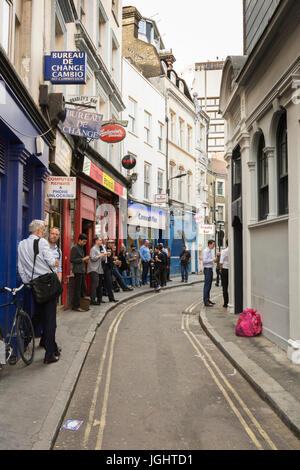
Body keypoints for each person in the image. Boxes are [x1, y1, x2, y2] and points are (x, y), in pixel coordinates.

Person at [18, 220, 61, 364]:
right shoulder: (42, 242)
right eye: (44, 229)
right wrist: (55, 263)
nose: (44, 231)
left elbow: (21, 268)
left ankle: (47, 346)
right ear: (39, 230)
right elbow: (50, 261)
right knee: (50, 321)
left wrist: (28, 283)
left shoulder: (21, 244)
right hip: (47, 284)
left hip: (34, 285)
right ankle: (49, 354)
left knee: (39, 315)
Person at [70, 234, 90, 312]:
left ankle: (83, 305)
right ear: (79, 240)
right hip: (77, 271)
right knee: (77, 289)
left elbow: (81, 259)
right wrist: (82, 259)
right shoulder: (74, 248)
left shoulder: (81, 247)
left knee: (83, 288)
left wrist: (85, 260)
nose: (85, 243)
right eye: (84, 241)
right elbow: (72, 260)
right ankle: (76, 306)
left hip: (82, 270)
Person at [87, 236, 107, 305]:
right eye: (100, 240)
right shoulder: (93, 249)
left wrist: (105, 255)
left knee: (98, 285)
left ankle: (98, 299)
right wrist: (99, 256)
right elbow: (92, 258)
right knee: (94, 285)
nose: (101, 241)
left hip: (98, 269)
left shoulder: (99, 248)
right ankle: (92, 300)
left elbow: (102, 259)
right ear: (96, 241)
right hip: (93, 269)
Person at [202, 240, 217, 307]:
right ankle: (206, 301)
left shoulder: (209, 251)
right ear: (209, 244)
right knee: (207, 286)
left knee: (209, 285)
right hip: (207, 269)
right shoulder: (206, 251)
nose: (214, 246)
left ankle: (208, 299)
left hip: (210, 269)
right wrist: (213, 260)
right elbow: (204, 261)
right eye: (213, 244)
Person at [220, 240, 229, 308]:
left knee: (225, 287)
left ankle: (226, 303)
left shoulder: (224, 251)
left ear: (226, 244)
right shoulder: (233, 250)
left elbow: (221, 262)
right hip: (232, 270)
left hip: (225, 270)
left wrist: (220, 270)